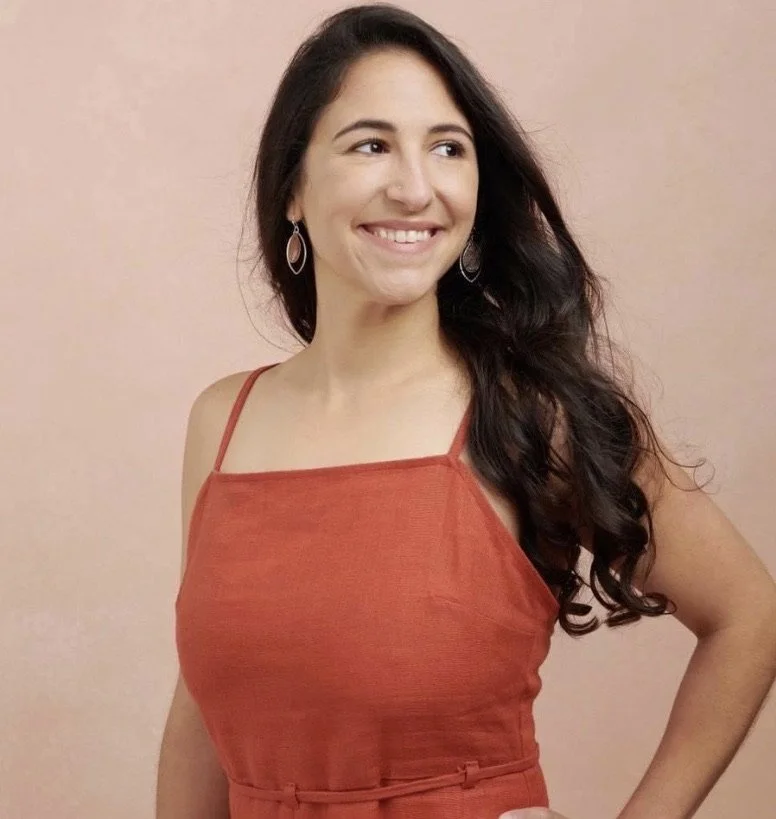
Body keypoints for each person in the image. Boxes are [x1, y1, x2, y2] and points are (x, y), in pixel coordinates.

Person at [155, 4, 776, 819]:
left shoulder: (532, 413)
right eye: (371, 144)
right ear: (293, 192)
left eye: (448, 148)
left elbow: (747, 614)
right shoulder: (222, 420)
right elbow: (203, 714)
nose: (416, 188)